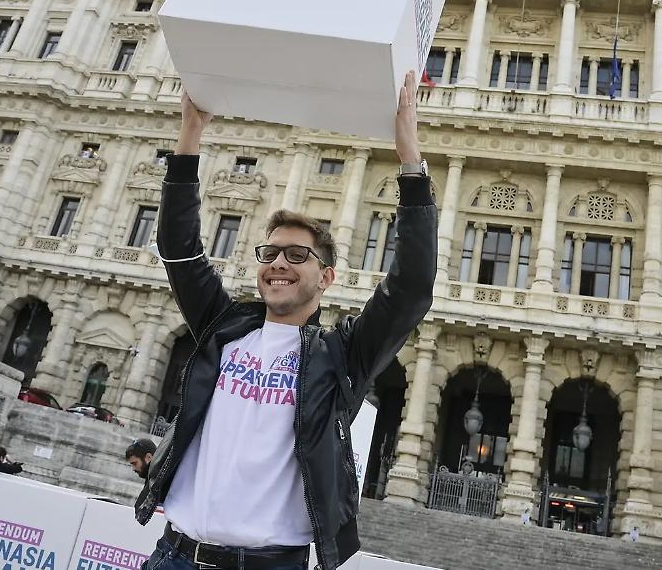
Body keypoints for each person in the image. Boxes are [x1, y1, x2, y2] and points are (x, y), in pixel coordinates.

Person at [134, 70, 438, 570]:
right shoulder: (222, 327)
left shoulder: (342, 356)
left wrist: (409, 159)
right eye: (271, 253)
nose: (279, 263)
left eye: (298, 256)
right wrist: (190, 135)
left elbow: (411, 288)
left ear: (326, 277)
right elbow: (179, 248)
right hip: (174, 555)